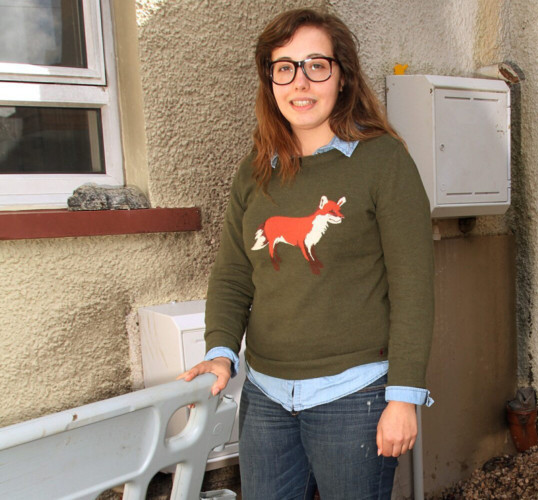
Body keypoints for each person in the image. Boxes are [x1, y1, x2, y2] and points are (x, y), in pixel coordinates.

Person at [179, 8, 434, 499]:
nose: (301, 82)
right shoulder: (254, 174)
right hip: (266, 395)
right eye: (285, 67)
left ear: (343, 76)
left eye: (317, 65)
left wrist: (403, 396)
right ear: (270, 81)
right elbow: (233, 274)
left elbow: (413, 288)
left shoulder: (384, 162)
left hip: (354, 396)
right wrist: (220, 351)